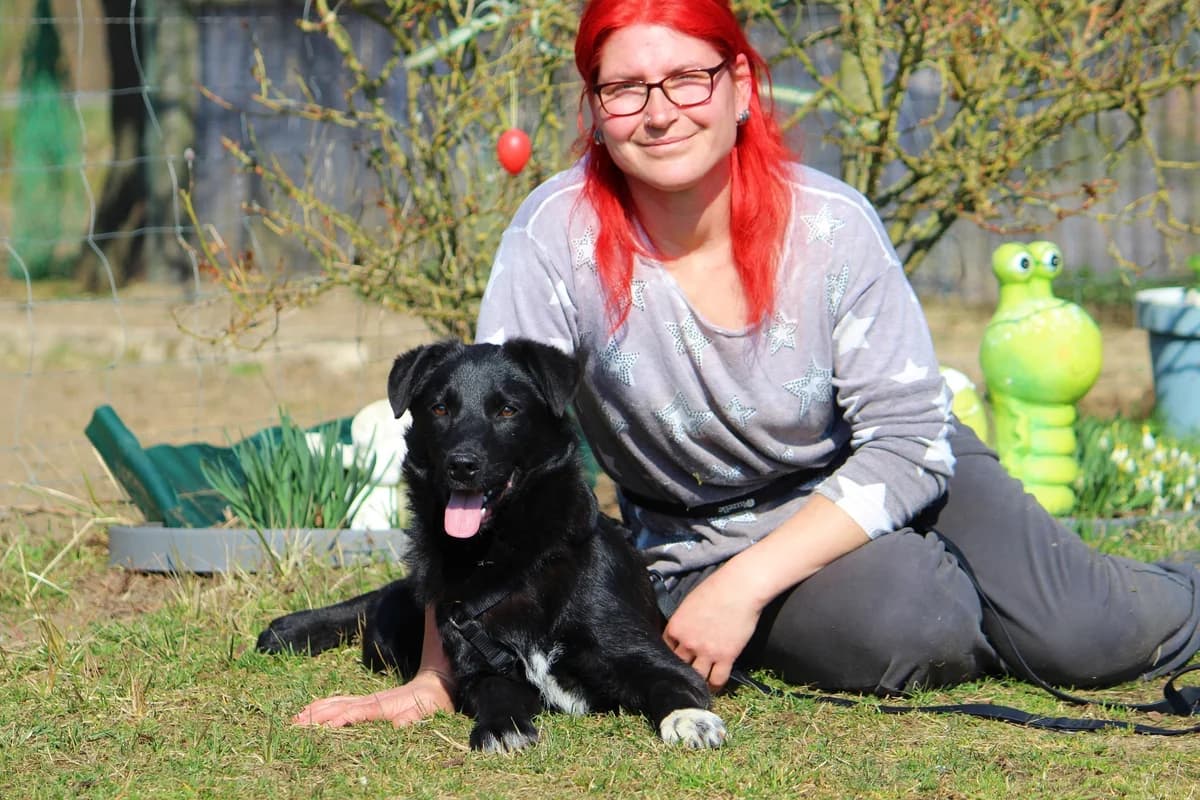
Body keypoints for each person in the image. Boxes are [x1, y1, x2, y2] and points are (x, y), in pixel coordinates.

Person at [292, 0, 1200, 729]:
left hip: (905, 474)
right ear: (595, 112)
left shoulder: (832, 225)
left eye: (688, 77)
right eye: (625, 89)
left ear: (740, 87)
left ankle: (1141, 594)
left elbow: (911, 441)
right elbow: (492, 475)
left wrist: (746, 588)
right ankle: (976, 600)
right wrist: (437, 677)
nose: (659, 110)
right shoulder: (552, 239)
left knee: (1097, 635)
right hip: (700, 534)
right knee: (908, 623)